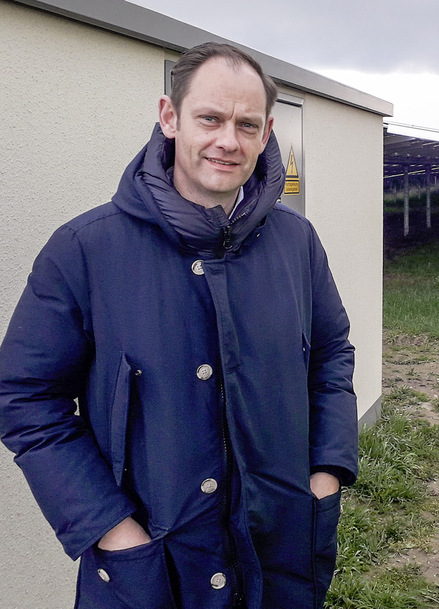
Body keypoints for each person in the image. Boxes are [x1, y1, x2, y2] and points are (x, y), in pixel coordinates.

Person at [0, 42, 357, 609]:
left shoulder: (297, 242)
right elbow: (23, 397)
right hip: (151, 571)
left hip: (280, 556)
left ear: (266, 134)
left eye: (246, 125)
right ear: (169, 117)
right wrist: (110, 527)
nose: (227, 141)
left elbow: (332, 355)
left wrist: (326, 473)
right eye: (209, 119)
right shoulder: (85, 249)